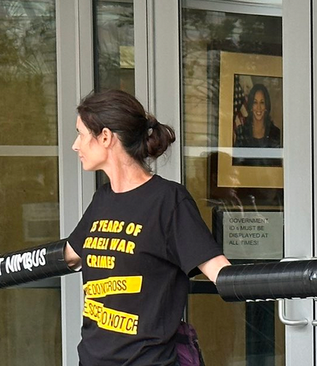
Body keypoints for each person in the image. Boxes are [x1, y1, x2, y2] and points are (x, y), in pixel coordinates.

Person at [63, 90, 231, 365]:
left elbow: (220, 273)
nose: (75, 145)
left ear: (105, 137)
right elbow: (69, 254)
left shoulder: (169, 201)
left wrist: (306, 279)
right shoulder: (103, 199)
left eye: (81, 134)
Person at [233, 84, 282, 167]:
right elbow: (237, 166)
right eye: (255, 102)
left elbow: (278, 167)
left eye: (262, 102)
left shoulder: (275, 133)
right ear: (251, 106)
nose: (258, 107)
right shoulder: (242, 132)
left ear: (266, 106)